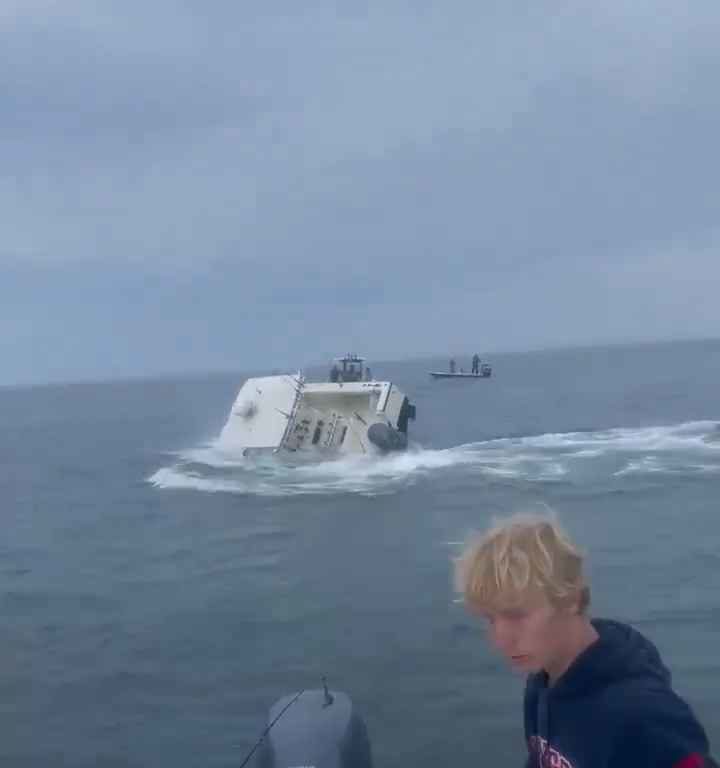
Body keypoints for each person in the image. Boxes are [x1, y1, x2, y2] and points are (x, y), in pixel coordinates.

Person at [453, 512, 717, 768]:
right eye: (490, 619)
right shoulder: (543, 681)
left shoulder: (642, 715)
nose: (500, 639)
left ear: (570, 599)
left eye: (516, 615)